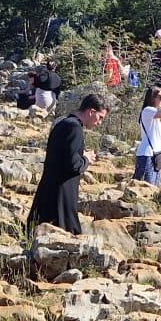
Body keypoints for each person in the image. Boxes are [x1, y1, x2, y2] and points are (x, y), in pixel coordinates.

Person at [30, 93, 109, 236]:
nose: (99, 123)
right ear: (91, 112)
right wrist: (86, 159)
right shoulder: (75, 128)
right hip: (62, 195)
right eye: (100, 117)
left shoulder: (63, 122)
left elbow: (63, 156)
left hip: (49, 190)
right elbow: (73, 165)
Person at [135, 86, 161, 187]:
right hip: (146, 155)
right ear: (152, 98)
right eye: (160, 98)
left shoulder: (156, 115)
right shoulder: (148, 110)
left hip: (156, 155)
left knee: (154, 189)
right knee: (145, 188)